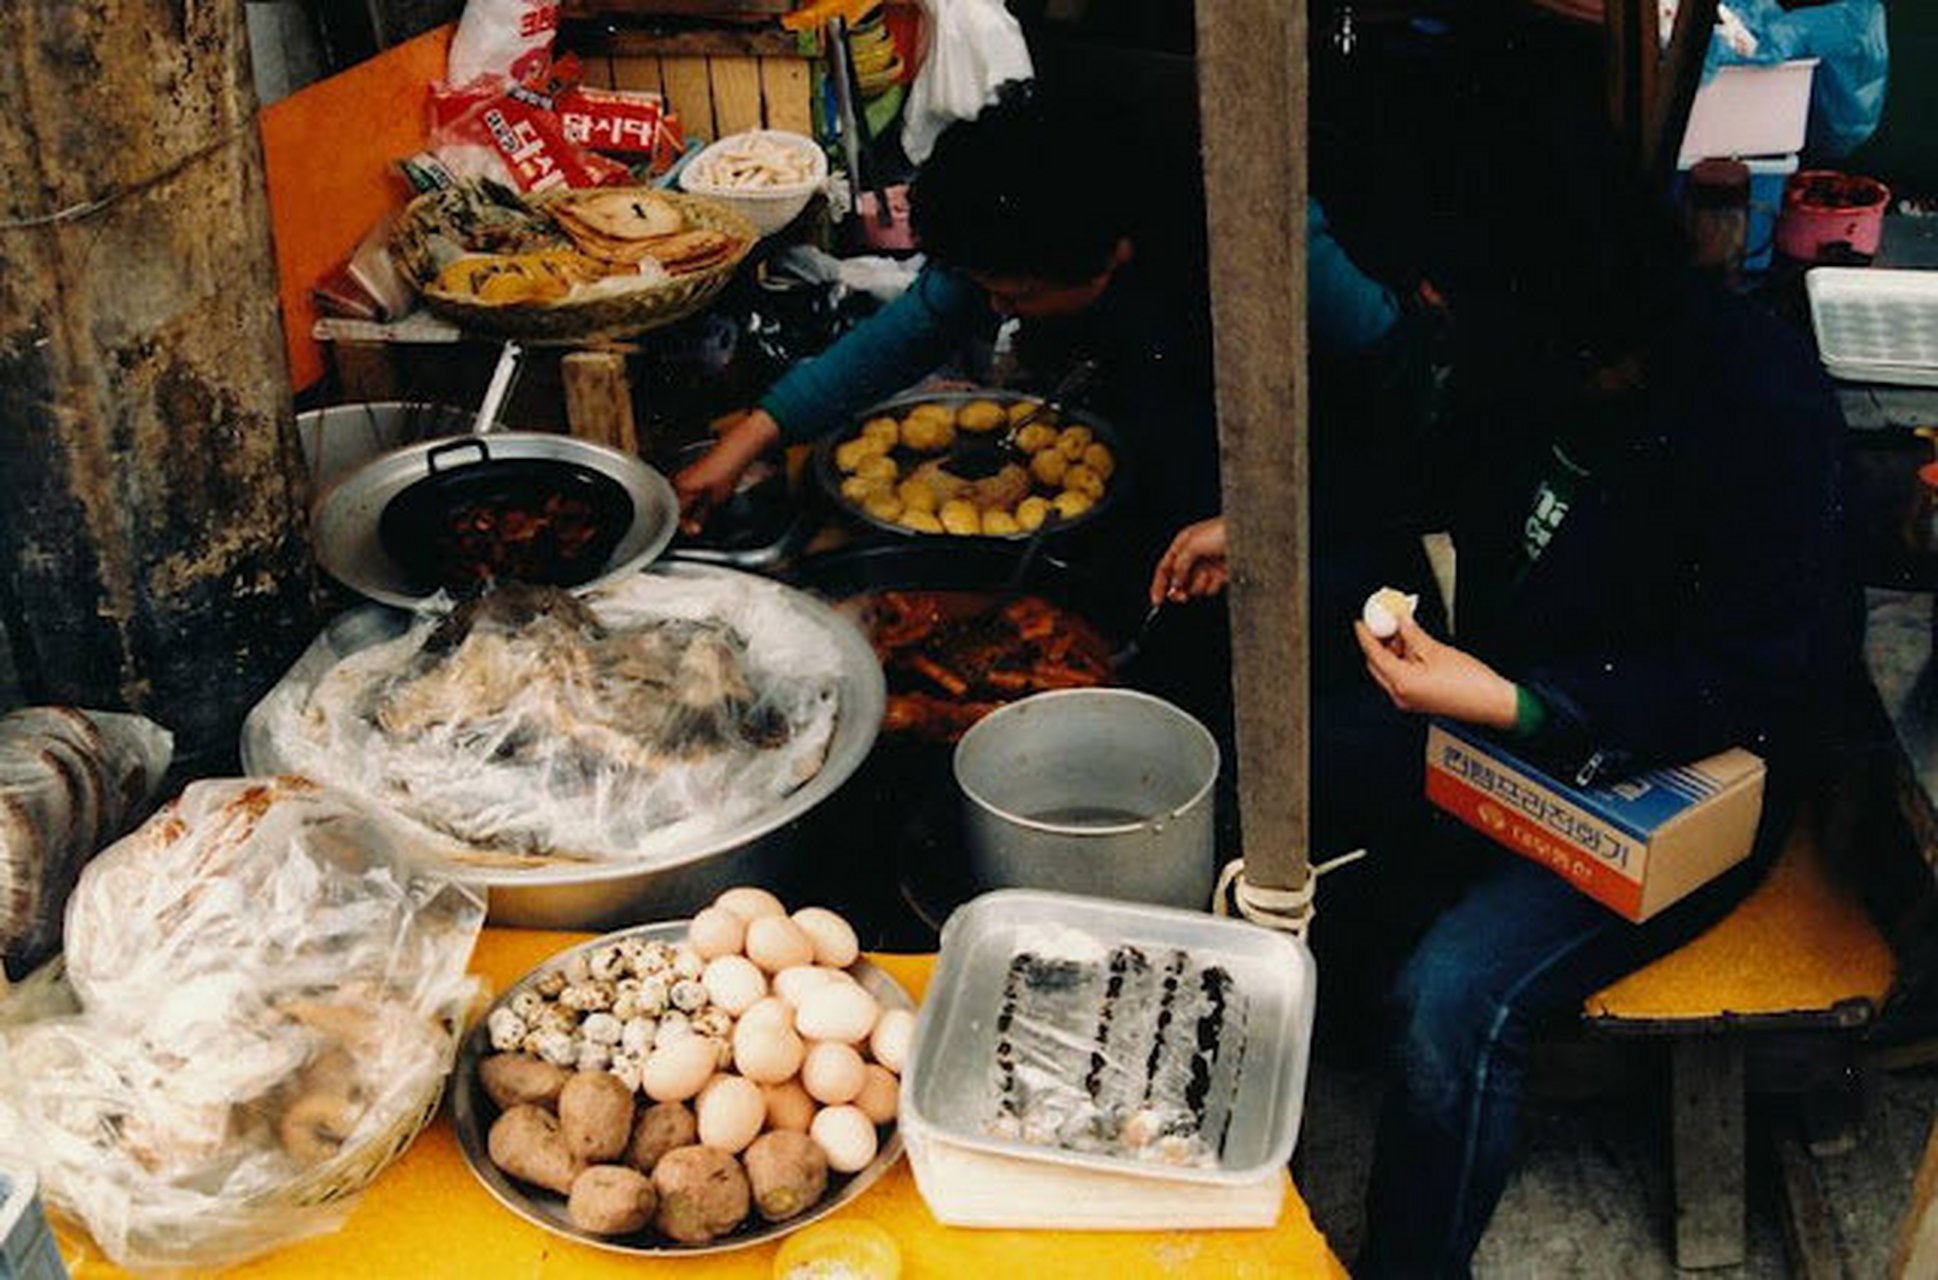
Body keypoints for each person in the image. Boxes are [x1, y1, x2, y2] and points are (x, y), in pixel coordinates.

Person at [1150, 85, 1856, 1277]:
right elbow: (1414, 486)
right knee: (1270, 779)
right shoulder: (1505, 356)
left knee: (1455, 1000)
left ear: (1549, 287)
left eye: (1441, 286)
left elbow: (1758, 681)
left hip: (1682, 779)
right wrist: (1276, 527)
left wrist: (1520, 706)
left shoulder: (1761, 409)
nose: (1424, 304)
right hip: (1503, 714)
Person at [675, 86, 1410, 600]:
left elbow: (1400, 419)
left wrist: (1267, 524)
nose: (995, 310)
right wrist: (745, 443)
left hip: (1322, 494)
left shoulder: (1267, 250)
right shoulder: (1032, 213)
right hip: (1165, 465)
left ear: (1113, 255)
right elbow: (907, 332)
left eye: (1016, 298)